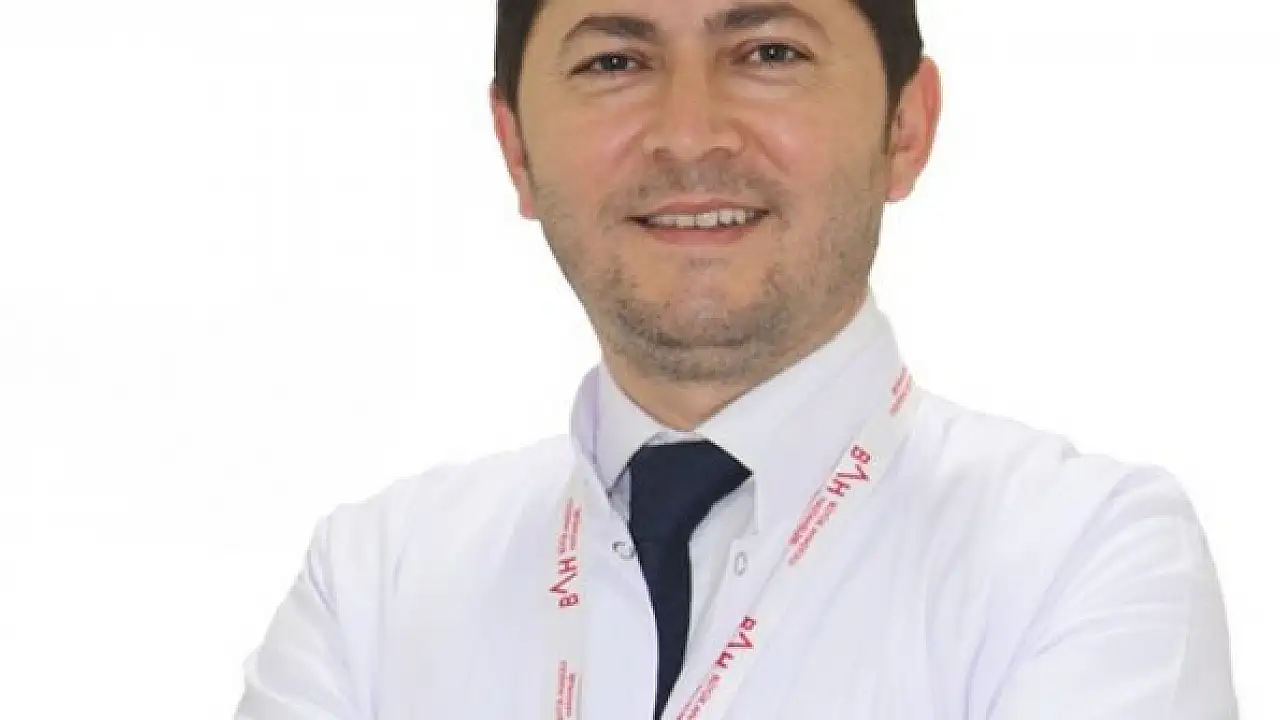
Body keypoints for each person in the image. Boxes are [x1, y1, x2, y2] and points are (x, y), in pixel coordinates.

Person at [235, 0, 1237, 717]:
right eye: (614, 62)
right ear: (517, 151)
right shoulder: (373, 586)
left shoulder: (1082, 556)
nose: (689, 135)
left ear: (905, 126)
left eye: (767, 51)